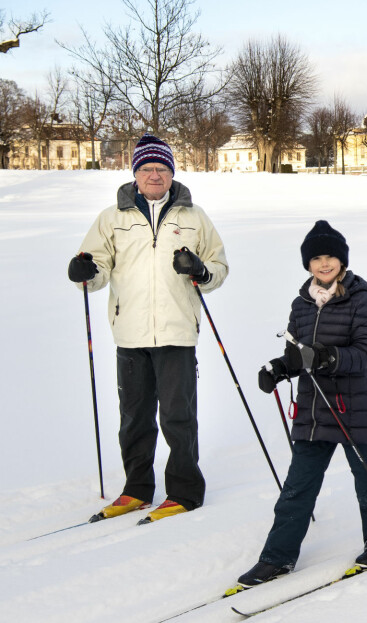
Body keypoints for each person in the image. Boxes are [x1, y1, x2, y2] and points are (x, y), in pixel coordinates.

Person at [67, 133, 229, 523]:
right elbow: (96, 267)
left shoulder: (194, 216)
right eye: (147, 168)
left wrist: (201, 271)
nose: (155, 175)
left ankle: (185, 491)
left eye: (161, 168)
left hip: (177, 330)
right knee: (134, 416)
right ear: (135, 174)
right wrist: (84, 273)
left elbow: (218, 268)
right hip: (130, 332)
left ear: (171, 173)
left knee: (178, 416)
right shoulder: (112, 218)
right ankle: (136, 489)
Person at [236, 220, 367, 590]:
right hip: (312, 410)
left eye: (330, 257)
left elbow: (365, 352)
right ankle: (276, 557)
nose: (324, 264)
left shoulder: (361, 298)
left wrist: (327, 358)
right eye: (316, 258)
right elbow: (296, 355)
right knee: (297, 486)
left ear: (342, 261)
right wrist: (279, 369)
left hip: (350, 406)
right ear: (308, 265)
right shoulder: (301, 304)